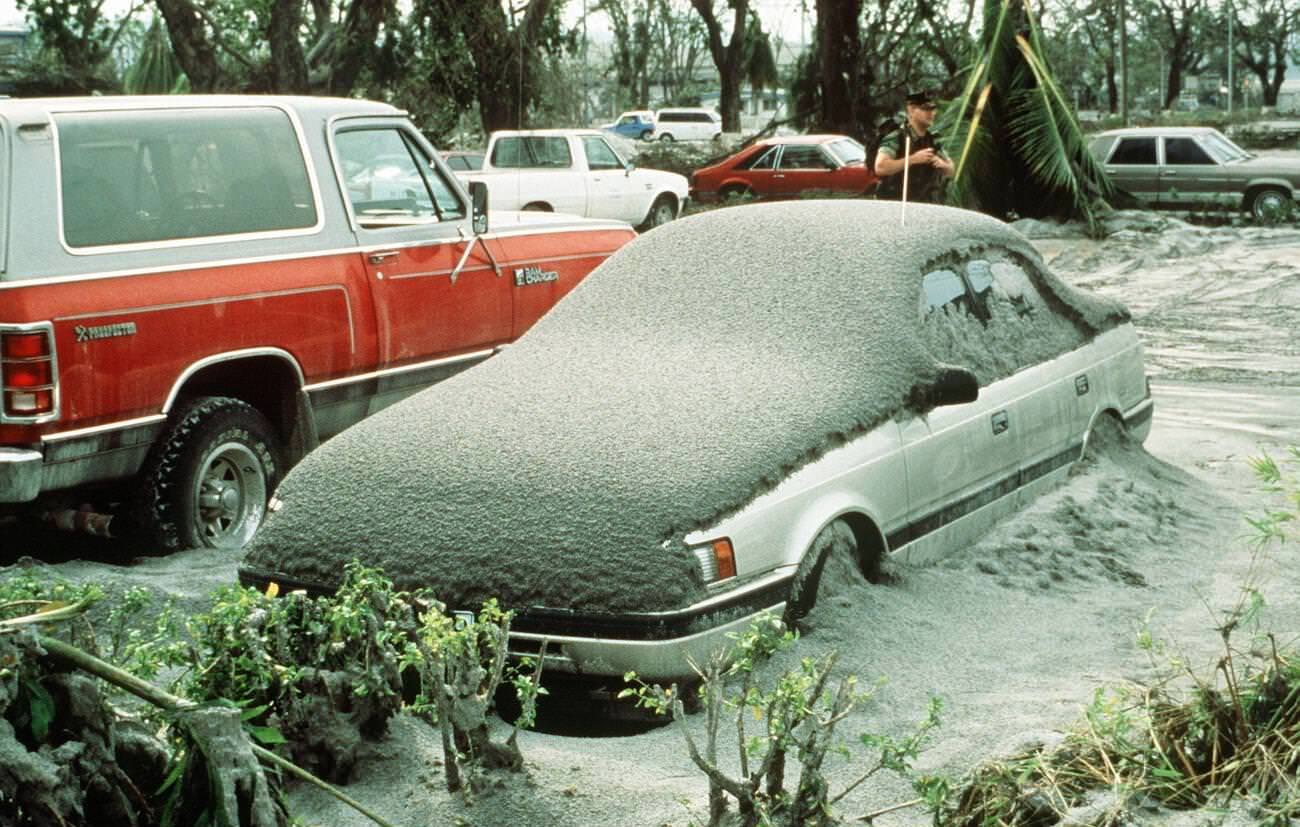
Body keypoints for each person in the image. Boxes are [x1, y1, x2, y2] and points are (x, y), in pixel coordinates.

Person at [874, 90, 954, 203]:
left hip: (923, 204)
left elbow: (951, 170)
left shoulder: (932, 140)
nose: (931, 113)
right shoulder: (897, 137)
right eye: (925, 108)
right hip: (895, 203)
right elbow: (880, 167)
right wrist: (913, 159)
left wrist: (942, 164)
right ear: (911, 110)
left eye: (933, 109)